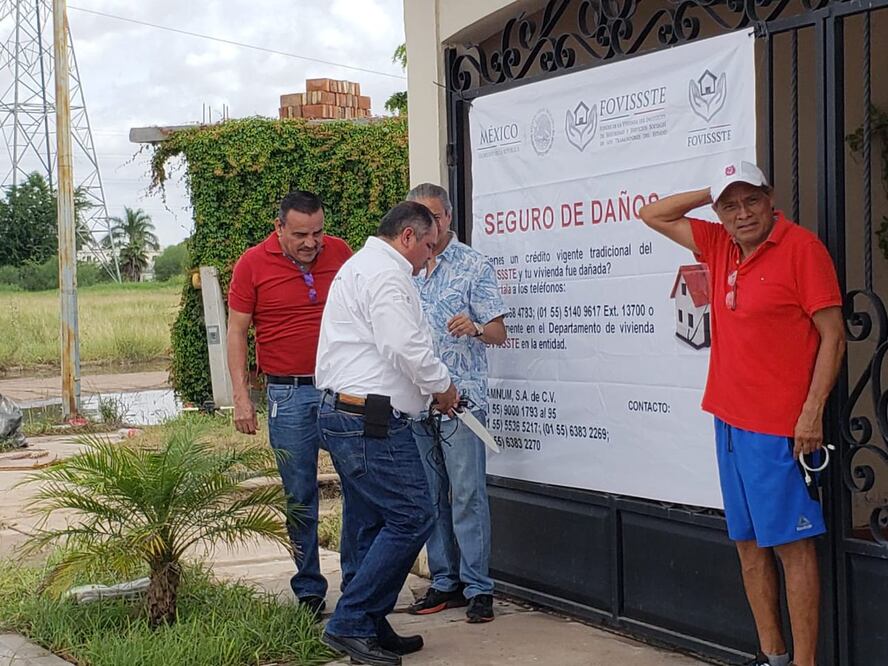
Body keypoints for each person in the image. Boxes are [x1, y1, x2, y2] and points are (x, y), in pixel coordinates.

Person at [639, 161, 845, 666]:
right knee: (748, 545)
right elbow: (653, 214)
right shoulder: (718, 243)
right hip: (728, 420)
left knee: (792, 548)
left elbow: (834, 336)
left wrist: (812, 413)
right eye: (729, 205)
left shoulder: (802, 249)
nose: (741, 213)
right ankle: (771, 655)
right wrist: (712, 191)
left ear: (769, 198)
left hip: (780, 429)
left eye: (750, 199)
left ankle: (805, 662)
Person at [315, 201, 459, 666]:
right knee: (413, 515)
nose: (428, 259)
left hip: (353, 417)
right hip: (369, 422)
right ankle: (353, 621)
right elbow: (403, 344)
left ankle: (369, 619)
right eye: (428, 247)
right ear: (408, 237)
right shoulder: (387, 274)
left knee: (370, 520)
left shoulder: (365, 266)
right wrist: (441, 386)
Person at [227, 190, 352, 617]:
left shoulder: (341, 252)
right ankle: (310, 590)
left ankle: (356, 583)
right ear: (279, 228)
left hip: (341, 391)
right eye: (300, 234)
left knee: (359, 484)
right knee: (300, 494)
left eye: (317, 232)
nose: (311, 243)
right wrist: (242, 398)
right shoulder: (252, 264)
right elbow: (237, 333)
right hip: (287, 394)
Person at [403, 183, 508, 624]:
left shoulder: (473, 265)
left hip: (461, 401)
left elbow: (500, 333)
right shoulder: (403, 269)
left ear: (448, 216)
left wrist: (477, 327)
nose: (431, 225)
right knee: (431, 496)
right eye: (421, 218)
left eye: (437, 216)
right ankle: (444, 581)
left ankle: (478, 586)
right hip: (415, 400)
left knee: (466, 494)